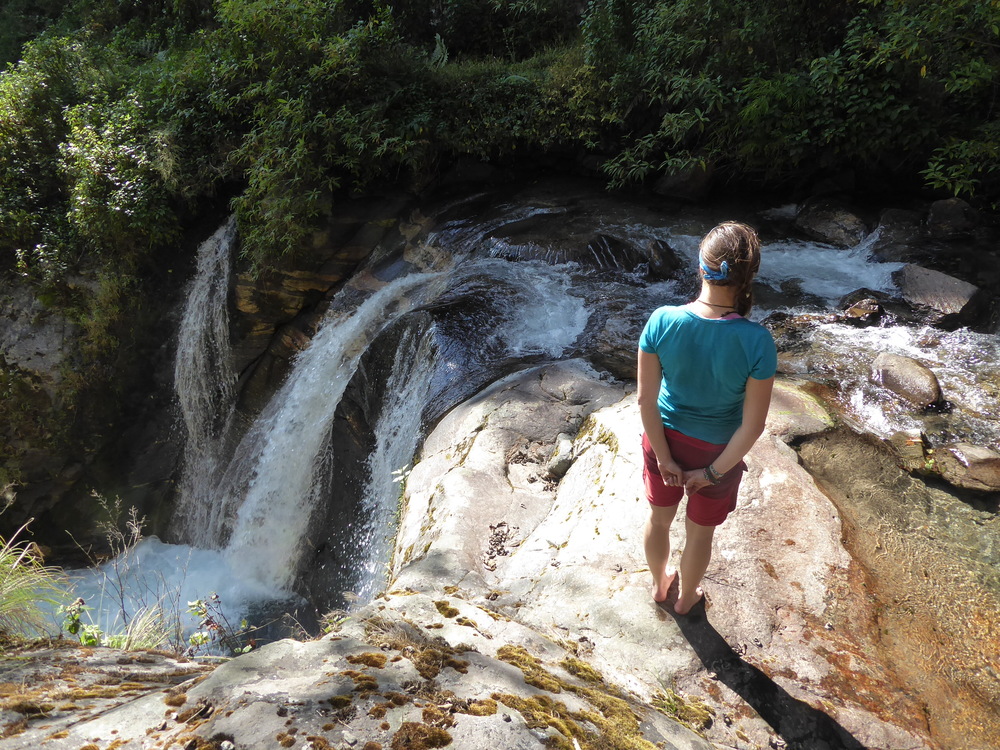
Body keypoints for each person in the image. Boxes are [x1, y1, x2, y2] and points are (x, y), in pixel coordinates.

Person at [637, 221, 776, 615]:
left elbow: (646, 400)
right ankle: (686, 599)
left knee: (659, 519)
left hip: (663, 440)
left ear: (701, 267)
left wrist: (664, 459)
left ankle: (659, 585)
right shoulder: (757, 341)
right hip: (718, 452)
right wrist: (713, 473)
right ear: (749, 276)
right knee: (700, 533)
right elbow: (753, 426)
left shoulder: (662, 320)